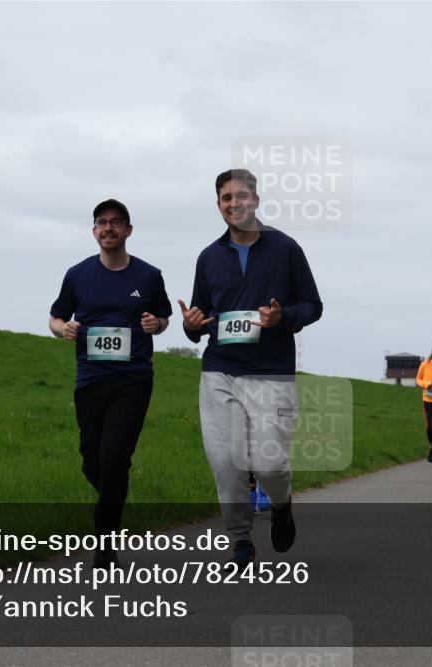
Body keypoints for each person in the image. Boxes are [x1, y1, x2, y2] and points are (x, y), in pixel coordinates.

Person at [180, 169, 323, 569]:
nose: (234, 204)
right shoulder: (208, 257)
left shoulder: (286, 248)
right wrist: (191, 327)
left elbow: (313, 306)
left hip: (271, 372)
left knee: (269, 464)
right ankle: (240, 543)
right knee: (226, 463)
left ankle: (281, 503)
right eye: (226, 198)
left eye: (241, 196)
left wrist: (283, 317)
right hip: (220, 371)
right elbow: (201, 317)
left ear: (256, 201)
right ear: (219, 205)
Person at [49, 199, 172, 568]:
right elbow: (56, 318)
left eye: (116, 222)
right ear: (94, 231)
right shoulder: (77, 274)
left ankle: (105, 546)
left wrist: (157, 325)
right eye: (101, 223)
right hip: (90, 378)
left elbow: (163, 317)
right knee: (92, 461)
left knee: (115, 457)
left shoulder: (149, 276)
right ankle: (114, 496)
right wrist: (64, 329)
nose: (108, 228)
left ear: (128, 230)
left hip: (133, 378)